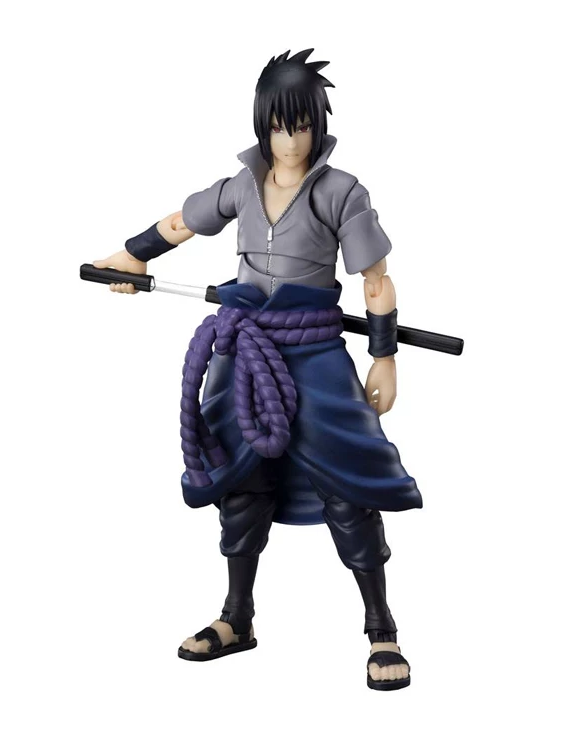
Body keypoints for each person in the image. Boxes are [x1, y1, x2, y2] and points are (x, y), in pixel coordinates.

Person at [93, 49, 421, 691]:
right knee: (240, 478)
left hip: (314, 352)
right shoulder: (242, 186)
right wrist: (131, 258)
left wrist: (384, 356)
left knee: (348, 484)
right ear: (262, 125)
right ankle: (236, 618)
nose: (290, 140)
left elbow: (376, 280)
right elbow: (181, 222)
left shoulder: (341, 191)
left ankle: (381, 628)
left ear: (318, 125)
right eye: (278, 126)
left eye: (302, 125)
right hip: (244, 350)